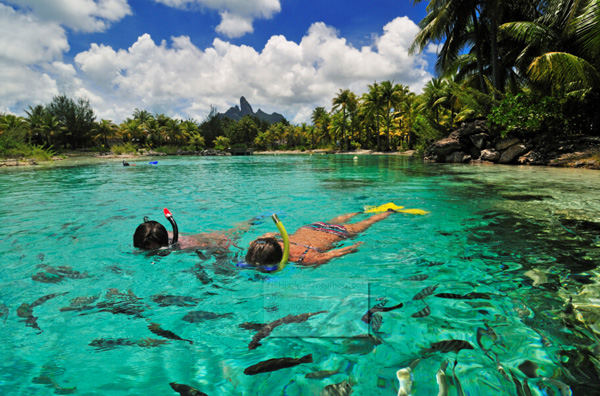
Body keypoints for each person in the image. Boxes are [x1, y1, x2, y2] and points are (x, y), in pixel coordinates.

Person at [245, 211, 393, 266]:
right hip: (310, 228)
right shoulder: (266, 244)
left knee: (367, 223)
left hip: (337, 233)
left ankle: (390, 211)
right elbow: (267, 236)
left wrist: (357, 245)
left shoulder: (305, 258)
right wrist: (274, 234)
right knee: (336, 219)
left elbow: (337, 253)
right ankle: (360, 211)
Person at [133, 213, 254, 252]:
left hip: (202, 241)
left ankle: (253, 221)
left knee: (235, 234)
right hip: (191, 236)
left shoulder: (181, 245)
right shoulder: (146, 237)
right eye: (144, 246)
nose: (148, 248)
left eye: (151, 246)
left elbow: (213, 248)